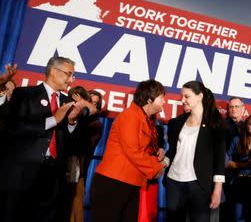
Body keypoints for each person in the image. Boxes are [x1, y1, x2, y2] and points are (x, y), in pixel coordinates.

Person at [0, 57, 78, 222]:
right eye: (69, 74)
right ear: (54, 72)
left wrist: (71, 123)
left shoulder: (68, 103)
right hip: (23, 171)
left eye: (73, 76)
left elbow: (72, 143)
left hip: (53, 174)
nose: (71, 80)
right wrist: (53, 120)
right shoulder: (24, 94)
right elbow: (15, 127)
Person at [90, 80, 167, 222]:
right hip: (113, 183)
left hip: (132, 183)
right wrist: (157, 168)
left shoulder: (147, 120)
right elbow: (133, 151)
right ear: (149, 99)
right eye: (162, 97)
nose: (164, 101)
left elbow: (146, 150)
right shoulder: (130, 115)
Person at [164, 80, 226, 222]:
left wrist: (217, 189)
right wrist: (162, 163)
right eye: (182, 96)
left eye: (187, 96)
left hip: (199, 184)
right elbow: (172, 152)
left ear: (200, 96)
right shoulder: (176, 122)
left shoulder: (215, 124)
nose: (182, 100)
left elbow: (219, 159)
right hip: (173, 181)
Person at [64, 86, 103, 222]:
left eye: (94, 102)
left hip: (78, 169)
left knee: (76, 205)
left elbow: (84, 145)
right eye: (89, 99)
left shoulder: (95, 124)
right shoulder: (70, 115)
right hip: (60, 165)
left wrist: (84, 105)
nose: (89, 103)